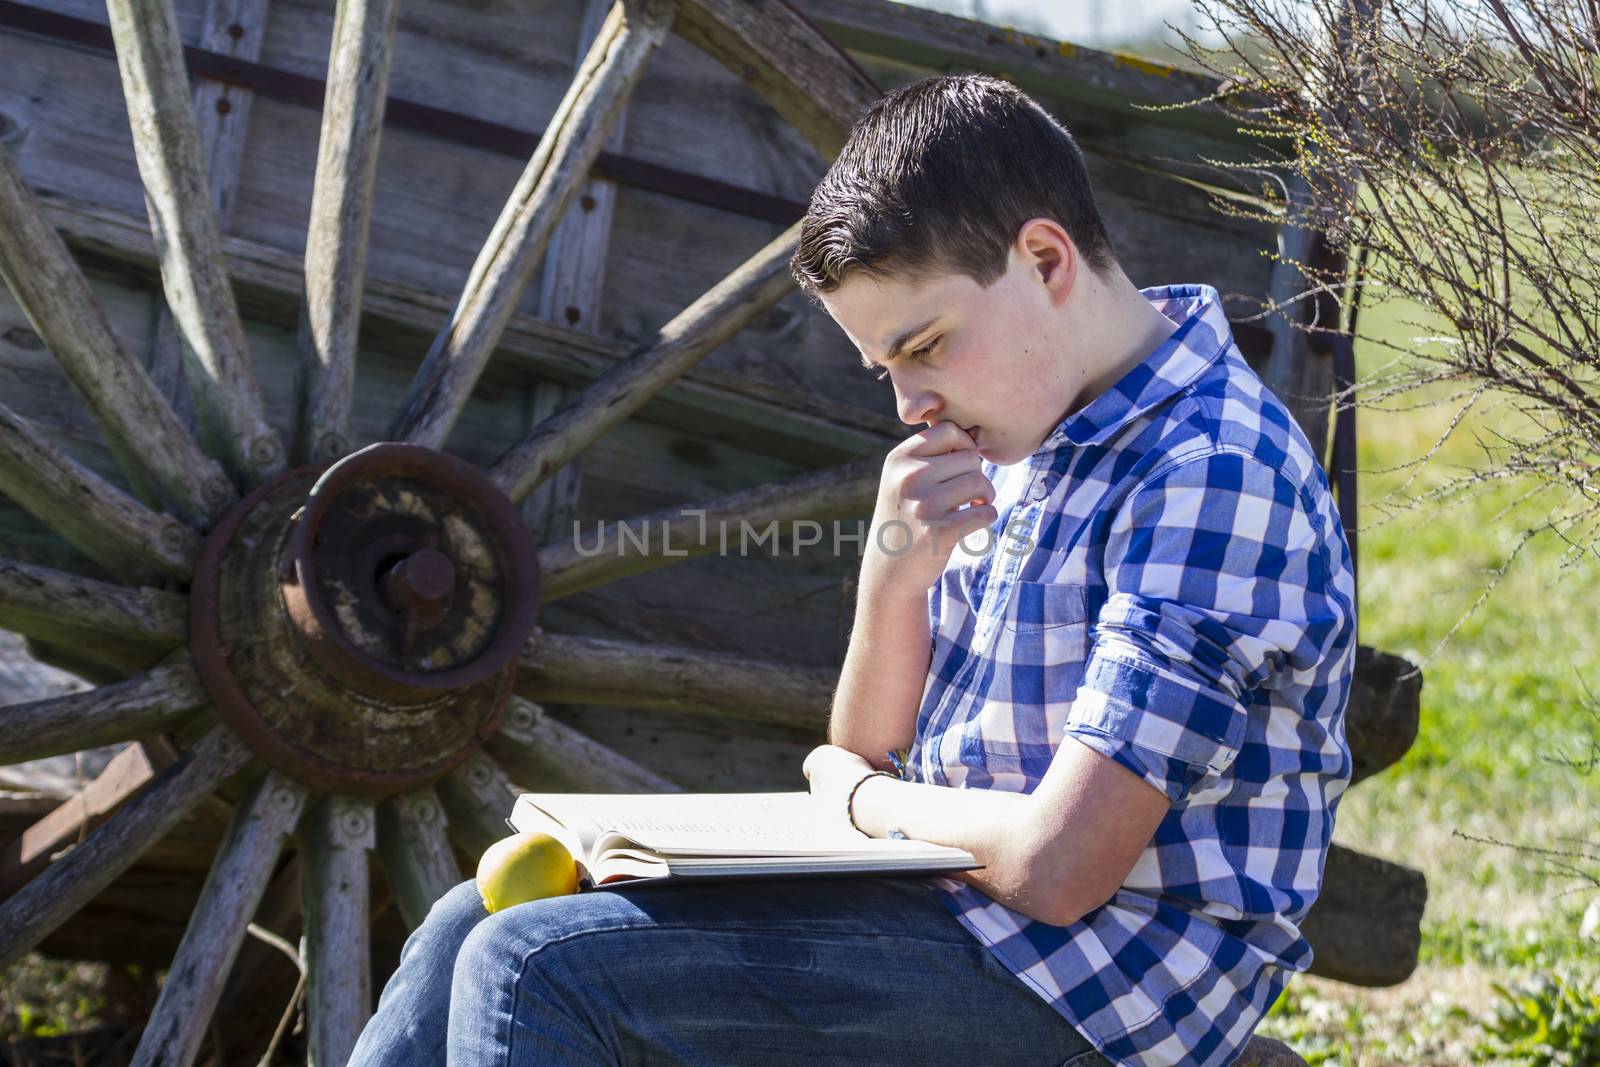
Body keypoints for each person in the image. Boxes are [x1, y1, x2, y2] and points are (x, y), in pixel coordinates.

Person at [347, 73, 1355, 1067]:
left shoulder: (1209, 473)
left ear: (1044, 258)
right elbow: (864, 745)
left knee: (537, 966)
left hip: (1102, 984)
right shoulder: (1030, 428)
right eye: (888, 370)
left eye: (925, 346)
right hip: (952, 909)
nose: (911, 402)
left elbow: (1056, 867)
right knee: (464, 924)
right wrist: (894, 575)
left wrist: (868, 803)